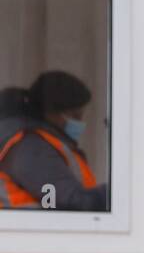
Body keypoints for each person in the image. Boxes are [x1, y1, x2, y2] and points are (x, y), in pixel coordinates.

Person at [0, 70, 106, 211]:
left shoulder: (39, 143)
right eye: (75, 115)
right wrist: (120, 193)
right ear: (52, 112)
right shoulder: (31, 149)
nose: (80, 122)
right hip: (31, 232)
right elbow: (68, 201)